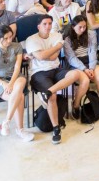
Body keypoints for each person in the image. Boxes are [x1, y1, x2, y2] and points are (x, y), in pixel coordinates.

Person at [24, 15, 90, 145]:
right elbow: (42, 56)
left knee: (76, 74)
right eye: (44, 24)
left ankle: (49, 92)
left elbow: (51, 56)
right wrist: (55, 47)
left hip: (55, 69)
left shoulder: (56, 35)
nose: (48, 26)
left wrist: (42, 54)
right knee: (53, 97)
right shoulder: (31, 39)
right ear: (38, 26)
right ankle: (56, 129)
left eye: (50, 23)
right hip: (39, 73)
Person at [0, 26, 33, 141]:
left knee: (21, 82)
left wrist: (10, 83)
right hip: (0, 81)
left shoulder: (17, 47)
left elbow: (17, 68)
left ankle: (7, 121)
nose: (10, 40)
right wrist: (4, 84)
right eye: (6, 38)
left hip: (15, 77)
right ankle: (20, 130)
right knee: (19, 96)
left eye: (11, 37)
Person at [62, 15, 99, 117]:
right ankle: (76, 104)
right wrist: (84, 69)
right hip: (76, 64)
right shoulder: (67, 39)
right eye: (80, 27)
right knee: (85, 81)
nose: (83, 29)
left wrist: (91, 68)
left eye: (84, 27)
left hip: (90, 61)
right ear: (73, 27)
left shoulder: (91, 34)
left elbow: (92, 51)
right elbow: (71, 58)